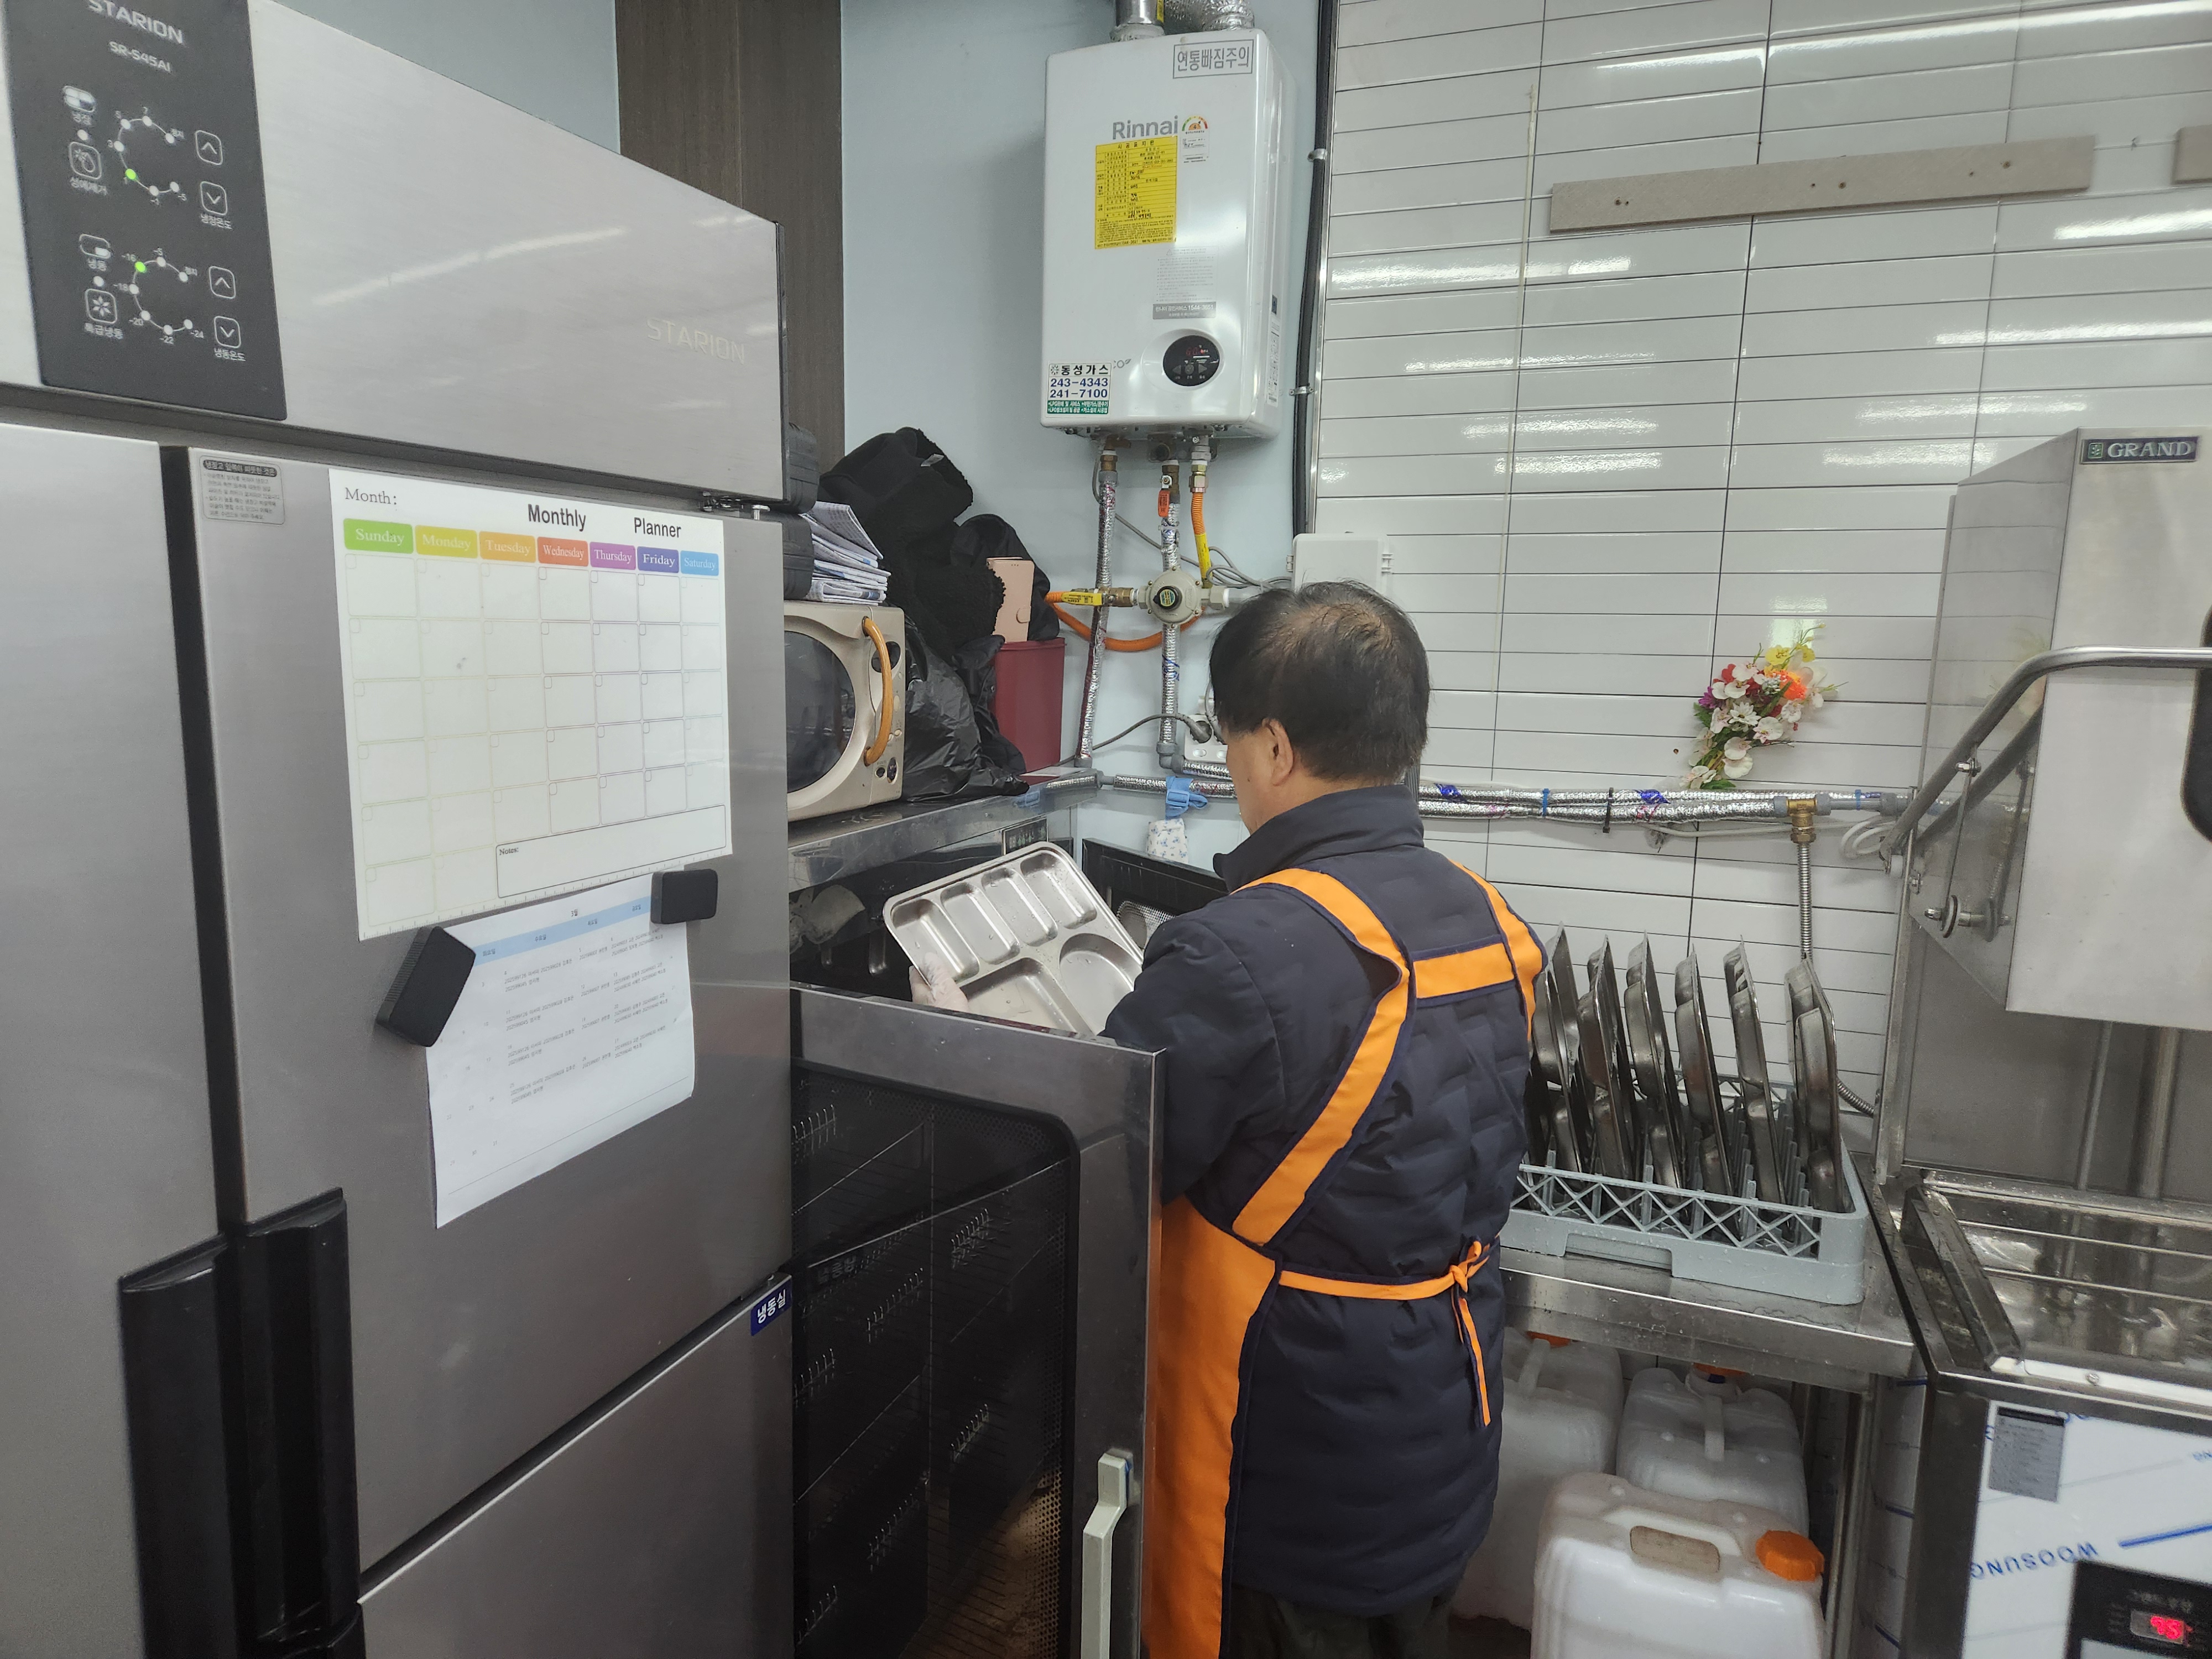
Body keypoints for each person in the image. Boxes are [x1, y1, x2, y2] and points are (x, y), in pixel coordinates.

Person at [1100, 583, 1540, 1659]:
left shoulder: (1240, 950)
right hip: (1436, 1437)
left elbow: (1108, 1171)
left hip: (1285, 1476)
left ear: (1274, 747)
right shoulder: (1489, 918)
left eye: (1230, 739)